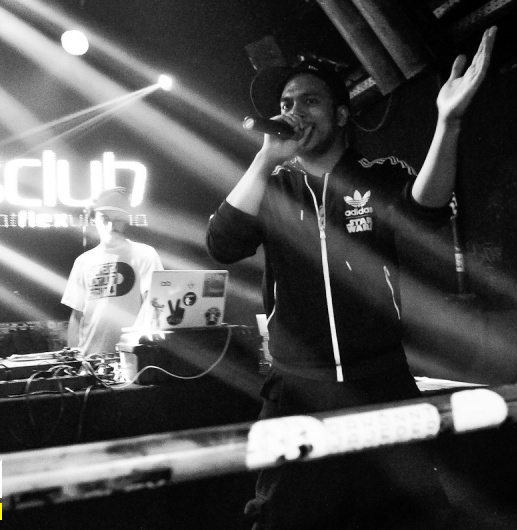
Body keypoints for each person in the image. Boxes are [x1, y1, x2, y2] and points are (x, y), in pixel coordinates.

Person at [206, 27, 497, 530]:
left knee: (408, 517)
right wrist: (266, 157)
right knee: (283, 519)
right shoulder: (271, 188)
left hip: (380, 383)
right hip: (297, 391)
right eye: (286, 103)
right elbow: (222, 245)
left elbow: (425, 211)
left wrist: (448, 123)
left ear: (341, 114)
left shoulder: (376, 174)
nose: (294, 112)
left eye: (310, 101)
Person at [61, 187, 163, 356]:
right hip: (90, 360)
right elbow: (77, 315)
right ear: (93, 218)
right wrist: (74, 358)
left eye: (118, 219)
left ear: (126, 220)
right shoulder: (83, 262)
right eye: (105, 218)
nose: (111, 225)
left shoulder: (145, 255)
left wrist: (135, 343)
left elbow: (152, 303)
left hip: (132, 357)